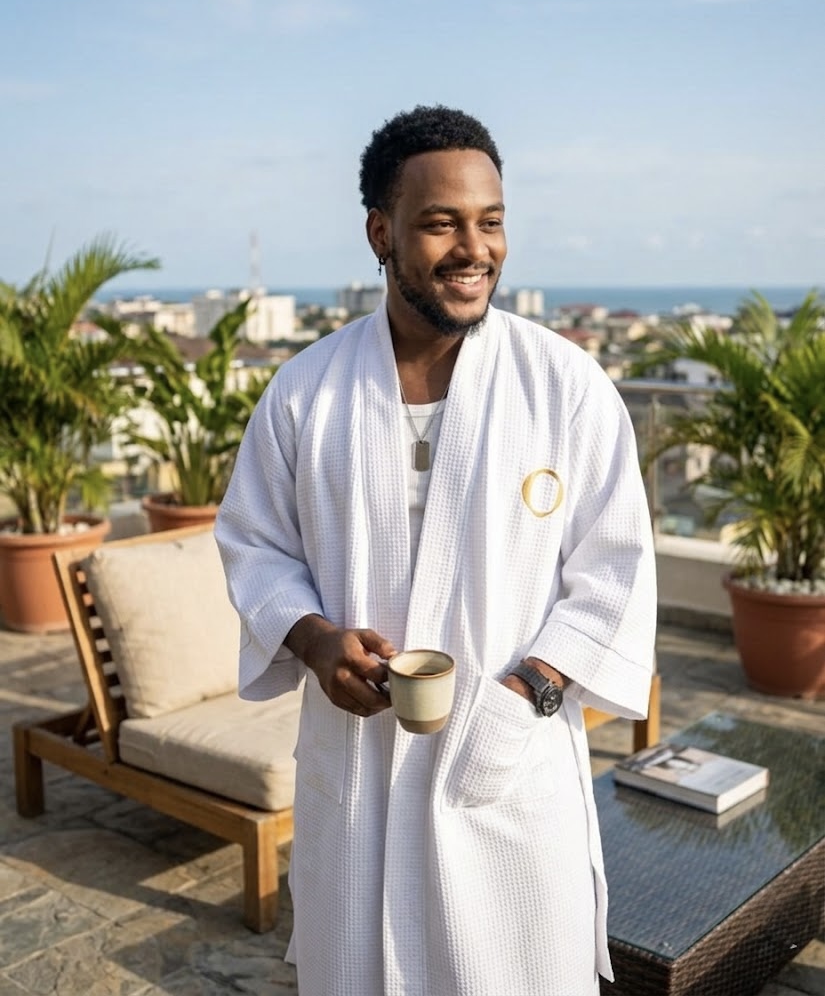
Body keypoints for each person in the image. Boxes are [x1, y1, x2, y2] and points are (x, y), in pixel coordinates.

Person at [215, 104, 657, 996]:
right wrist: (313, 640)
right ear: (380, 233)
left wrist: (527, 695)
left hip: (506, 762)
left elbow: (614, 571)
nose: (474, 248)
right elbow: (255, 544)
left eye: (490, 221)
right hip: (357, 764)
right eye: (441, 223)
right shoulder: (305, 392)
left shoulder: (564, 386)